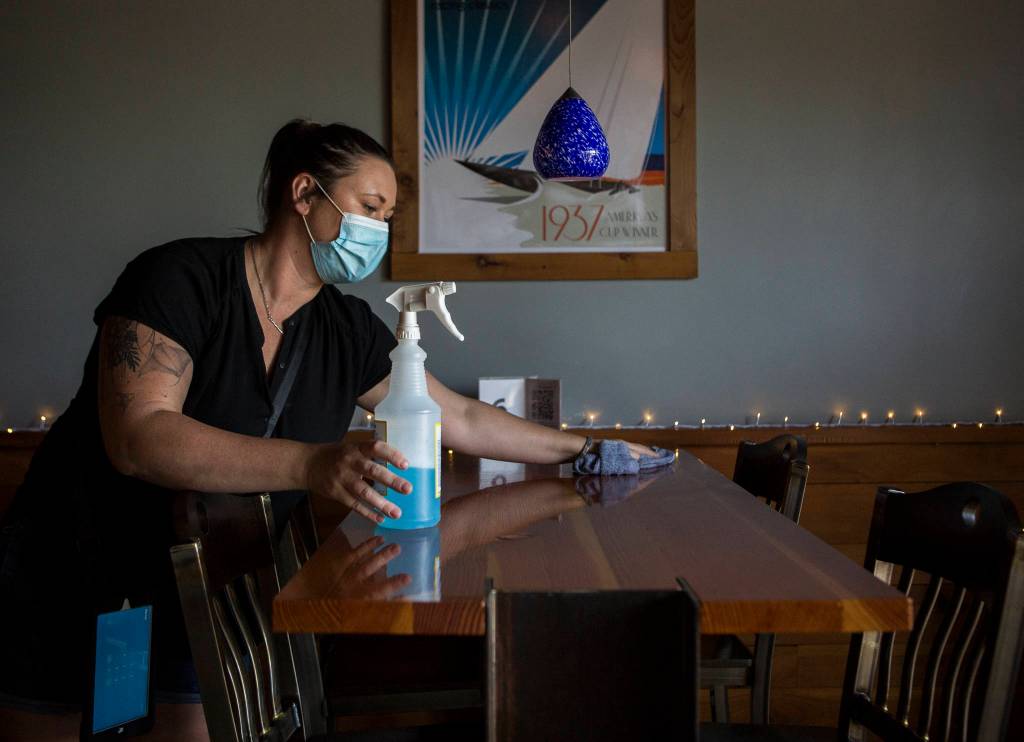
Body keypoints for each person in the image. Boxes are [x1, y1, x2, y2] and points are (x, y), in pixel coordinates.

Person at [0, 119, 654, 738]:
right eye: (369, 207)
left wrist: (586, 449)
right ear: (305, 192)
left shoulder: (344, 330)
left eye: (387, 217)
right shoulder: (178, 280)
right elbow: (138, 437)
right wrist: (312, 465)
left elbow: (458, 414)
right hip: (74, 570)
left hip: (202, 599)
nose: (378, 230)